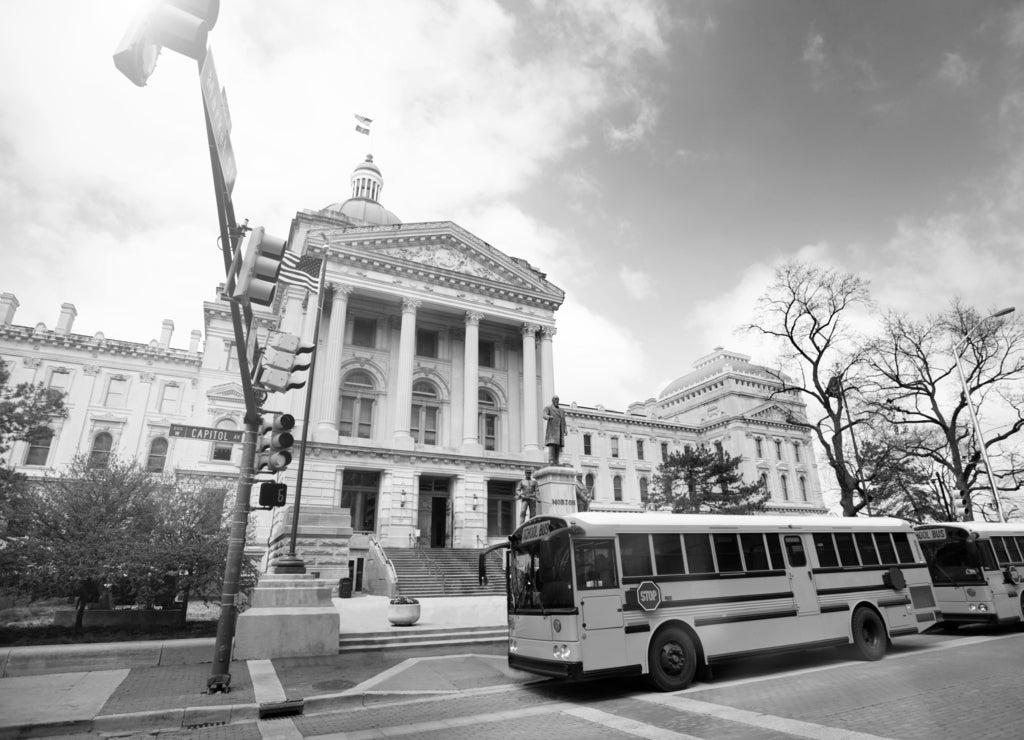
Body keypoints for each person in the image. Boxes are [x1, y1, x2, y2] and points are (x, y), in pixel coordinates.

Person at [542, 395, 566, 465]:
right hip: (552, 430)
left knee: (558, 446)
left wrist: (565, 429)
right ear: (553, 401)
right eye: (555, 400)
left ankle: (556, 460)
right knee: (552, 445)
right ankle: (551, 460)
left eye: (557, 400)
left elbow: (563, 420)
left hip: (559, 431)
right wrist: (548, 417)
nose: (556, 401)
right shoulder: (549, 408)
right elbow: (544, 415)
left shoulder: (561, 410)